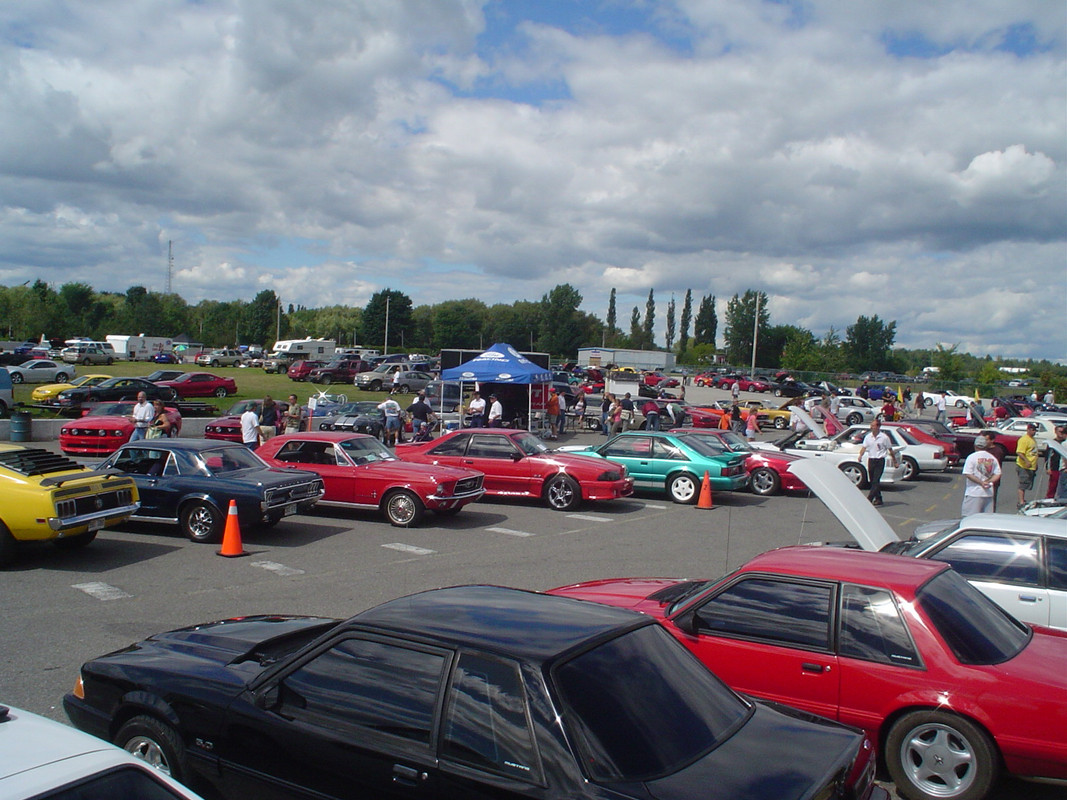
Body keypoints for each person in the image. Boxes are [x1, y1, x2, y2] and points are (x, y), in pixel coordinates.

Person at [961, 433, 1001, 515]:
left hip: (974, 493)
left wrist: (981, 482)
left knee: (970, 518)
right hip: (988, 493)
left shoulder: (971, 457)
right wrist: (989, 482)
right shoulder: (992, 458)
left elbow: (968, 474)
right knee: (985, 519)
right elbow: (998, 474)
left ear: (975, 445)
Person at [858, 419, 895, 507]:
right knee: (872, 480)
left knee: (876, 480)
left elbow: (890, 449)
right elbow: (864, 447)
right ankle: (879, 498)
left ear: (878, 427)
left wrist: (895, 461)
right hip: (871, 460)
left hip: (880, 460)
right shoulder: (868, 437)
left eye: (873, 426)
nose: (871, 428)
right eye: (871, 426)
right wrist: (860, 455)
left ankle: (869, 499)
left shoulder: (884, 437)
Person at [1015, 422, 1040, 508]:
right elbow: (1019, 452)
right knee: (1023, 484)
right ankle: (1021, 501)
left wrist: (1035, 464)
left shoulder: (1032, 439)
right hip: (1024, 466)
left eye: (1035, 430)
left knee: (1028, 484)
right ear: (1028, 429)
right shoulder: (1024, 439)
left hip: (1031, 466)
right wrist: (1026, 461)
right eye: (1032, 429)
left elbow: (1034, 453)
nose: (1034, 432)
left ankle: (1023, 500)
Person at [1044, 425, 1066, 499]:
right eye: (1060, 432)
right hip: (1054, 467)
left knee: (1062, 486)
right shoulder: (1052, 443)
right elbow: (1048, 456)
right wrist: (1048, 468)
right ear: (1056, 432)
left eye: (1063, 432)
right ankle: (1049, 498)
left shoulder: (1064, 442)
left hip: (1062, 467)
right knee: (1053, 485)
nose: (1061, 434)